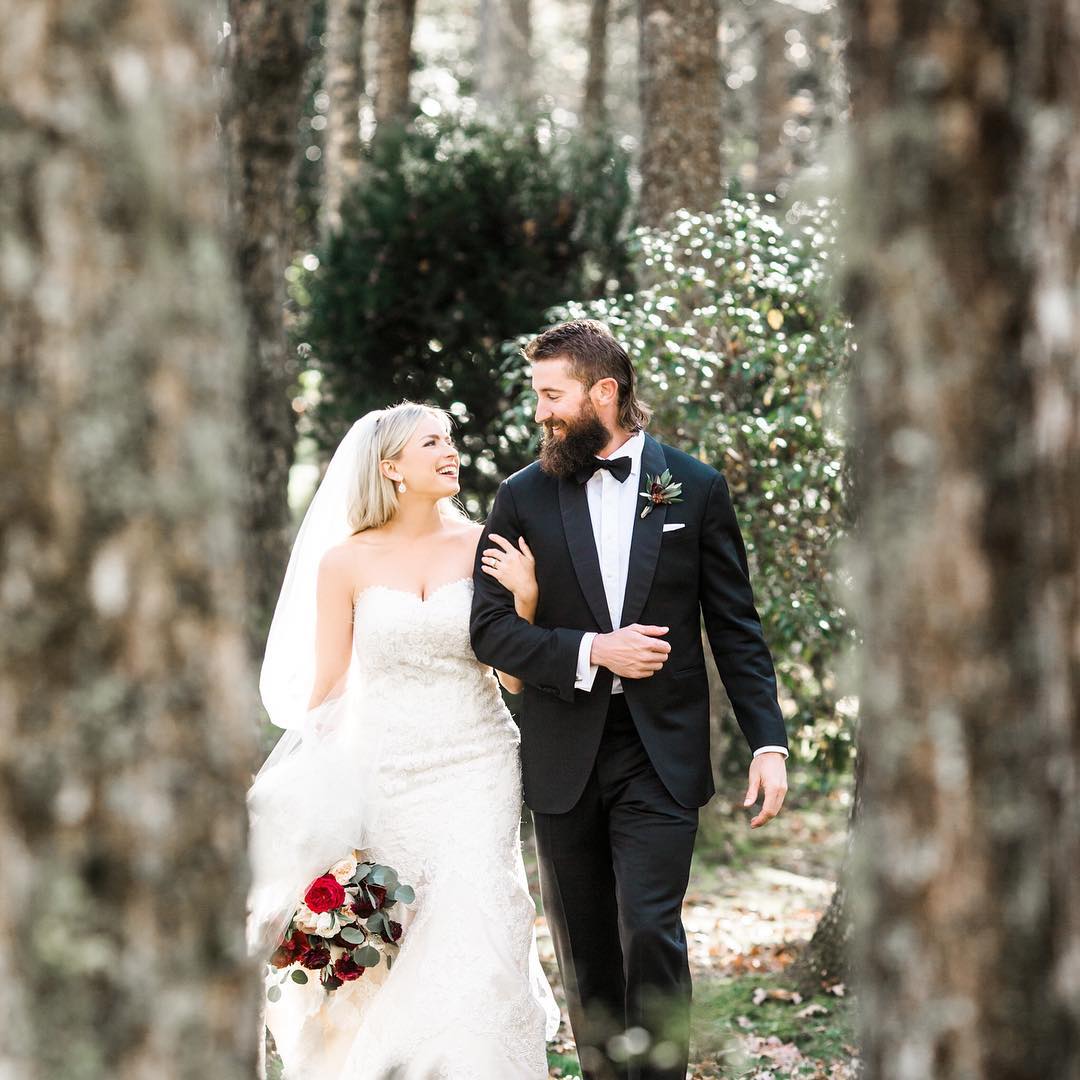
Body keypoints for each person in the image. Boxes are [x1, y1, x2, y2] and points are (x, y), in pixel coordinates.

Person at [470, 318, 790, 1080]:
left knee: (649, 927)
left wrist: (768, 742)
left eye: (553, 395)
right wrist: (590, 650)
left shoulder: (697, 488)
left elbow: (736, 629)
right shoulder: (521, 497)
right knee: (585, 946)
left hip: (661, 752)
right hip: (563, 753)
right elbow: (487, 632)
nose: (540, 411)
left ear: (604, 392)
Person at [246, 401, 558, 1080]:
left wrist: (527, 602)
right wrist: (301, 785)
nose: (450, 451)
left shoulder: (486, 545)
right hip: (384, 772)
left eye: (450, 438)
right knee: (403, 938)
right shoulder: (345, 562)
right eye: (432, 443)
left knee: (481, 924)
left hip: (478, 763)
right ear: (392, 468)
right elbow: (328, 689)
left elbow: (510, 677)